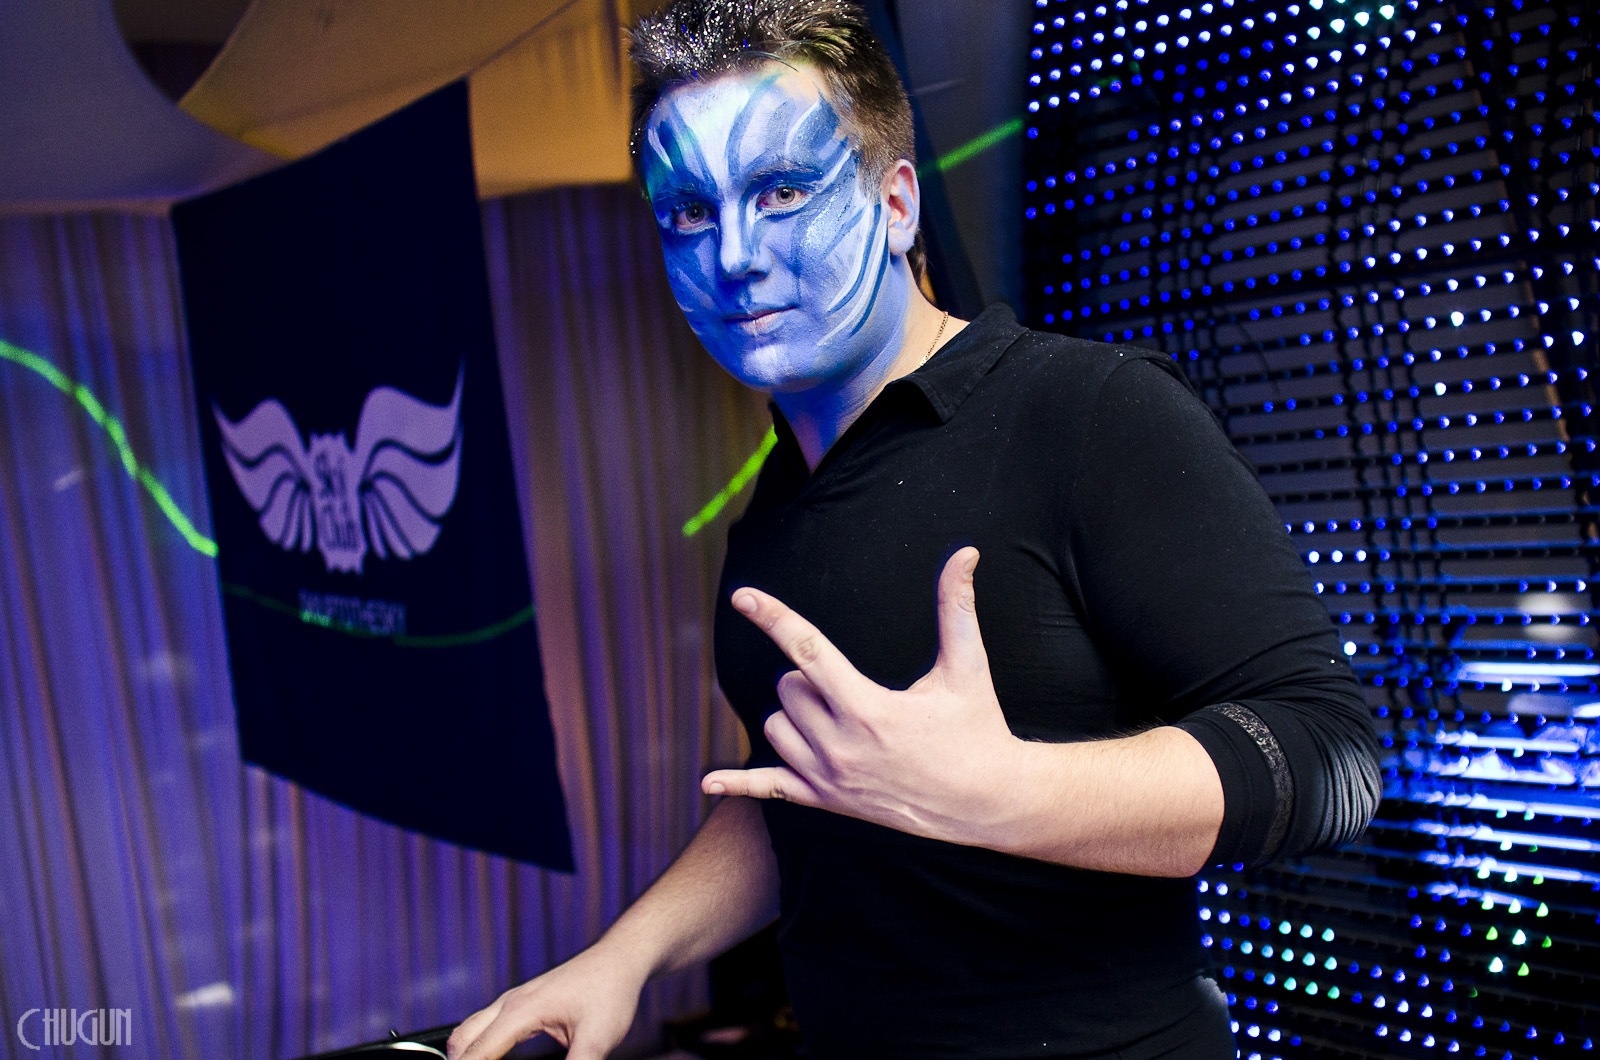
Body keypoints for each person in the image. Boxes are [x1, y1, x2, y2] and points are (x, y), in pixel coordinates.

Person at [447, 1, 1382, 1057]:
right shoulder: (775, 507)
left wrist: (1003, 794)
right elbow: (818, 790)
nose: (734, 256)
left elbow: (1332, 756)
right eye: (691, 213)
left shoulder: (1085, 411)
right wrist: (623, 956)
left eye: (782, 190)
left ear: (895, 205)